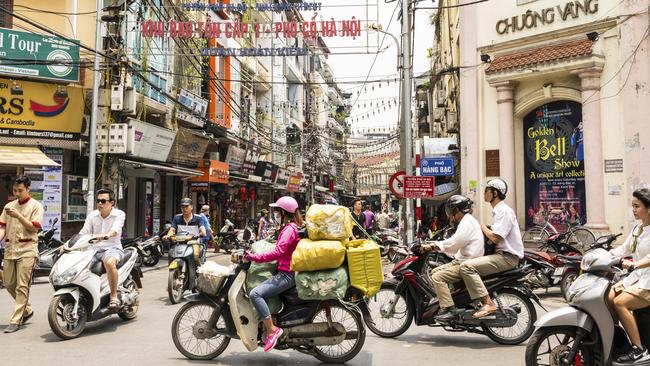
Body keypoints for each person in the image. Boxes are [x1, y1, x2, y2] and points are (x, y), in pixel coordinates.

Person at [245, 196, 303, 352]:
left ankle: (272, 329)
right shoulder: (289, 228)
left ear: (284, 212)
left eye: (277, 211)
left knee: (255, 294)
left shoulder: (290, 229)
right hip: (287, 272)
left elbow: (279, 252)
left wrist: (254, 257)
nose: (275, 214)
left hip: (287, 275)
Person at [459, 178, 524, 318]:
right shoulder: (498, 211)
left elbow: (495, 237)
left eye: (486, 190)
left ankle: (488, 303)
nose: (484, 193)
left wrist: (481, 226)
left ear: (494, 193)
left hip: (506, 258)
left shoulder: (504, 211)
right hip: (500, 255)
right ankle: (473, 302)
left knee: (466, 267)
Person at [420, 195, 484, 321]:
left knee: (437, 277)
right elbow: (455, 244)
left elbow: (455, 243)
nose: (449, 214)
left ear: (457, 210)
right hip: (463, 259)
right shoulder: (466, 221)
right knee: (434, 271)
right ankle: (453, 299)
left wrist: (434, 246)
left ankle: (450, 309)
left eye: (451, 210)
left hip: (466, 262)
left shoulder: (467, 222)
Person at [607, 188, 650, 363]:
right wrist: (602, 254)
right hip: (636, 278)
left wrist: (634, 264)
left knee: (619, 302)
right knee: (607, 296)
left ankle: (639, 349)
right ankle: (618, 340)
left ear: (648, 208)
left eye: (637, 206)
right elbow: (622, 249)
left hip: (647, 282)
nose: (633, 210)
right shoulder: (637, 229)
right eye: (632, 206)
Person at [0, 176, 44, 333]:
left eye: (20, 190)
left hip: (27, 249)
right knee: (8, 283)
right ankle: (27, 310)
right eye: (14, 190)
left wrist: (18, 215)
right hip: (10, 249)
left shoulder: (36, 206)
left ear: (28, 189)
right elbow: (2, 227)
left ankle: (16, 319)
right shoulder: (9, 206)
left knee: (22, 286)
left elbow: (34, 228)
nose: (17, 193)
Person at [76, 188, 126, 313]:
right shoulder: (92, 215)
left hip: (112, 248)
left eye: (103, 201)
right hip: (93, 250)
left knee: (109, 263)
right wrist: (68, 245)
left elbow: (115, 229)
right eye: (98, 201)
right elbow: (83, 233)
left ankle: (113, 296)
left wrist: (108, 235)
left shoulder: (119, 214)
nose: (100, 204)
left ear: (112, 203)